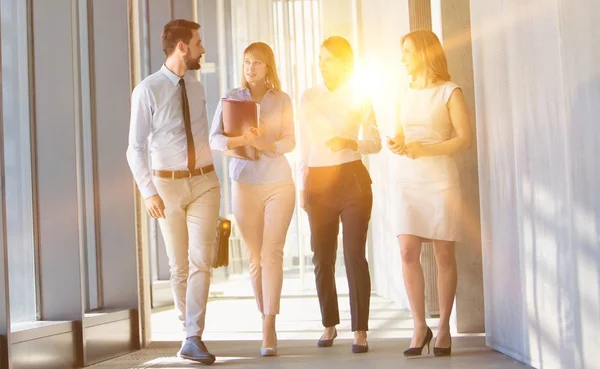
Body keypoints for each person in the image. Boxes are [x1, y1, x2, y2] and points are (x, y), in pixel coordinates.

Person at [126, 19, 220, 365]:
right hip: (166, 187)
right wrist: (149, 191)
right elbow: (134, 148)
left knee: (202, 261)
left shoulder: (196, 88)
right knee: (178, 265)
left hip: (205, 182)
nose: (202, 50)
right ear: (181, 47)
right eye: (197, 43)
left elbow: (202, 136)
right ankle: (187, 332)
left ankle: (194, 335)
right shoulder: (147, 90)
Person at [387, 29, 472, 357]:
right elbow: (401, 132)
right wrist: (395, 142)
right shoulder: (402, 92)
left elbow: (464, 139)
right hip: (408, 179)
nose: (403, 58)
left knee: (443, 253)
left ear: (424, 53)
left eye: (407, 51)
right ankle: (419, 325)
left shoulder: (450, 91)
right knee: (407, 250)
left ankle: (444, 326)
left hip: (440, 180)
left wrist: (427, 149)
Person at [210, 42, 295, 357]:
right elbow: (214, 138)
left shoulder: (281, 99)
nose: (251, 68)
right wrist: (242, 141)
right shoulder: (231, 98)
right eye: (247, 62)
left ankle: (269, 324)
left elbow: (290, 140)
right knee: (254, 257)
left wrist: (264, 142)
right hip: (244, 182)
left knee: (272, 252)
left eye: (257, 63)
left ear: (268, 67)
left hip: (278, 183)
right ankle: (264, 314)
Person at [298, 36, 381, 354]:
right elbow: (312, 141)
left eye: (328, 58)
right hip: (319, 182)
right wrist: (303, 184)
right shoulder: (308, 97)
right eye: (319, 58)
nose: (321, 64)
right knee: (321, 256)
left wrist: (352, 143)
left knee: (354, 256)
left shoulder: (362, 95)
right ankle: (329, 324)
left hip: (353, 181)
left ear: (345, 63)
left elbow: (375, 141)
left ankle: (360, 330)